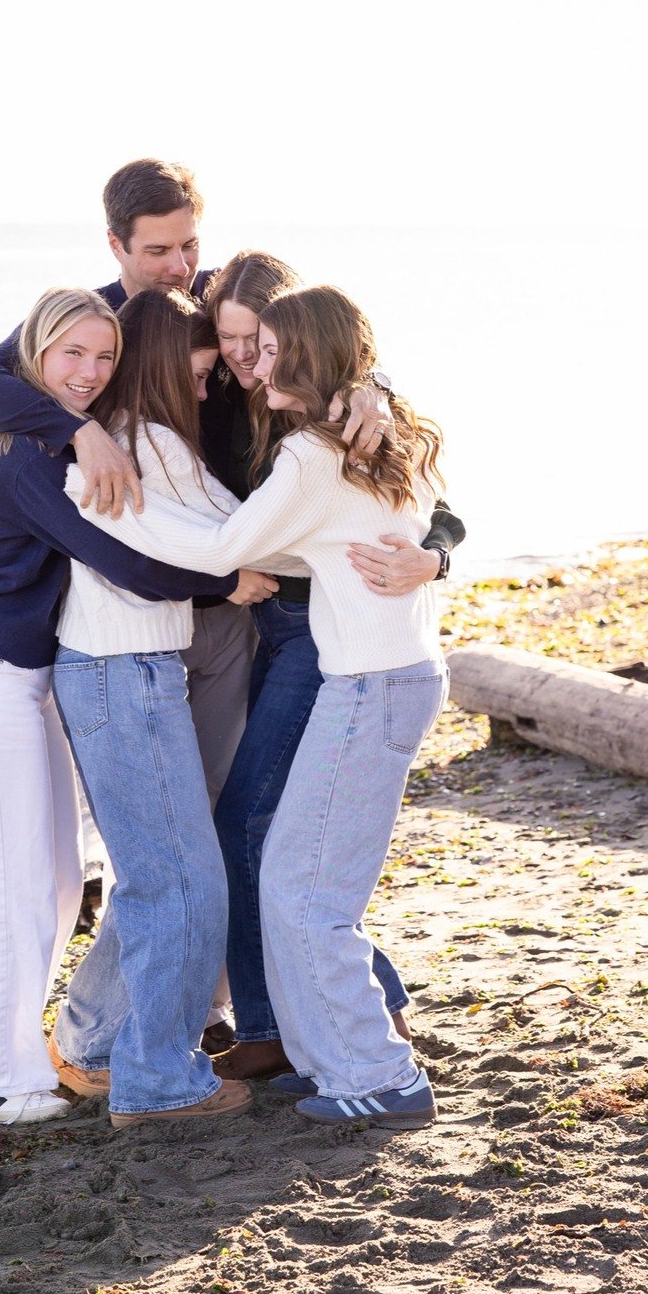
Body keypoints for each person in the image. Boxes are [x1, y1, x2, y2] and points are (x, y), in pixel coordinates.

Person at [69, 285, 447, 1129]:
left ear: (307, 357)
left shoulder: (313, 454)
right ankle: (329, 1058)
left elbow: (222, 547)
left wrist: (98, 501)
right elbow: (294, 547)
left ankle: (380, 1075)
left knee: (304, 889)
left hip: (370, 686)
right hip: (387, 678)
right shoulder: (384, 439)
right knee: (292, 880)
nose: (253, 365)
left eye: (270, 350)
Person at [0, 288, 262, 1125]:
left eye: (105, 358)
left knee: (60, 882)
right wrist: (227, 583)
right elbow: (119, 562)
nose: (90, 373)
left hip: (20, 678)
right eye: (73, 355)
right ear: (35, 353)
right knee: (18, 884)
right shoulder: (27, 453)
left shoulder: (47, 435)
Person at [200, 252, 464, 1081]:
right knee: (287, 835)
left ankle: (281, 1028)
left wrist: (434, 557)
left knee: (259, 828)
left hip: (329, 639)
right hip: (276, 628)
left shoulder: (345, 418)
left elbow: (437, 507)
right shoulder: (227, 400)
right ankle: (353, 1012)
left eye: (261, 340)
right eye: (232, 340)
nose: (248, 356)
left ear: (297, 343)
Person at [49, 289, 278, 1127]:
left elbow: (218, 526)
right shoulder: (140, 440)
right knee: (179, 880)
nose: (207, 389)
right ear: (157, 366)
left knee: (164, 875)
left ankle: (96, 1044)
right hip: (120, 670)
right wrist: (255, 561)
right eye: (197, 373)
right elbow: (222, 535)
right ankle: (158, 1082)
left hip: (129, 666)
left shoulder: (139, 436)